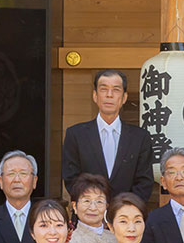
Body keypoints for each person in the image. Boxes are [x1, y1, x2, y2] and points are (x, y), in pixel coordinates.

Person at [62, 69, 154, 203]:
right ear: (95, 96)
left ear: (124, 98)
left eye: (116, 90)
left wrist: (124, 208)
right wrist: (94, 204)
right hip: (89, 213)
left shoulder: (140, 137)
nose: (109, 95)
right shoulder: (76, 134)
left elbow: (144, 182)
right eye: (103, 89)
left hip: (126, 216)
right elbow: (71, 179)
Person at [64, 173, 117, 243]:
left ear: (107, 207)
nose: (93, 208)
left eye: (99, 201)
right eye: (86, 201)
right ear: (74, 206)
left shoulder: (116, 238)